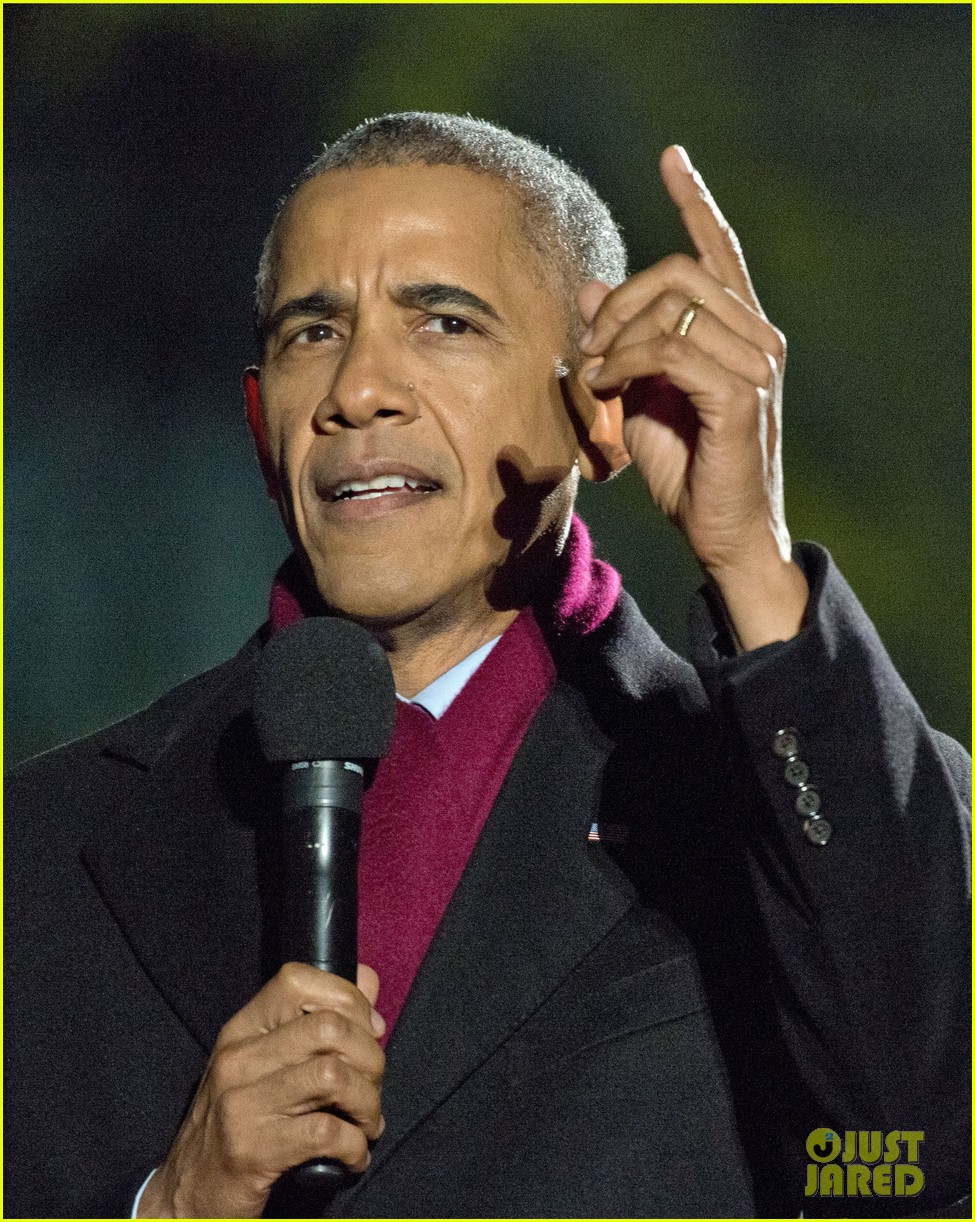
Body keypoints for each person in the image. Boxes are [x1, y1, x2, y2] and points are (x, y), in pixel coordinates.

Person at [5, 113, 969, 1220]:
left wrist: (750, 555)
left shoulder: (804, 823)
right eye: (312, 333)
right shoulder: (30, 861)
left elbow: (920, 1143)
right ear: (258, 420)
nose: (358, 390)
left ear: (605, 409)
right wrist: (170, 1206)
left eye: (446, 323)